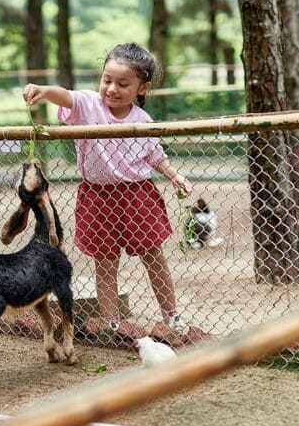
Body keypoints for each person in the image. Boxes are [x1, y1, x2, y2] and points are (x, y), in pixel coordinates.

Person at [22, 42, 205, 344]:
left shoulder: (142, 121)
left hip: (138, 196)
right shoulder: (88, 105)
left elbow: (153, 156)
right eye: (107, 80)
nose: (112, 89)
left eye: (123, 83)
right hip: (96, 197)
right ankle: (110, 324)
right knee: (105, 263)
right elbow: (65, 95)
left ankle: (172, 316)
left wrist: (175, 176)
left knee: (154, 257)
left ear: (142, 88)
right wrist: (42, 89)